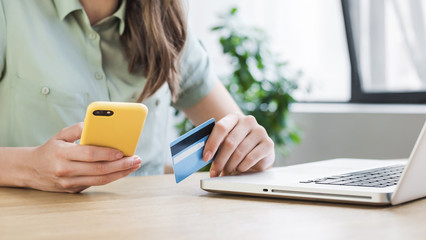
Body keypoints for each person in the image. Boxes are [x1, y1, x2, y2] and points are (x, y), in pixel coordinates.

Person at [0, 0, 275, 193]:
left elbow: (238, 134)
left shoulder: (167, 22)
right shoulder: (9, 11)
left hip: (148, 226)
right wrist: (31, 167)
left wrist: (252, 149)